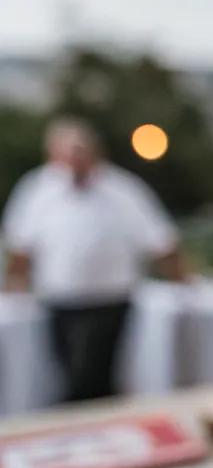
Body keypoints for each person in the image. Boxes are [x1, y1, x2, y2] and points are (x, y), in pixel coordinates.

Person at [2, 118, 184, 403]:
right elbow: (21, 247)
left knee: (92, 375)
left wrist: (181, 280)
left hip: (110, 301)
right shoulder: (38, 189)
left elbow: (161, 241)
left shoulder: (123, 189)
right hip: (57, 302)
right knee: (66, 373)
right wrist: (13, 286)